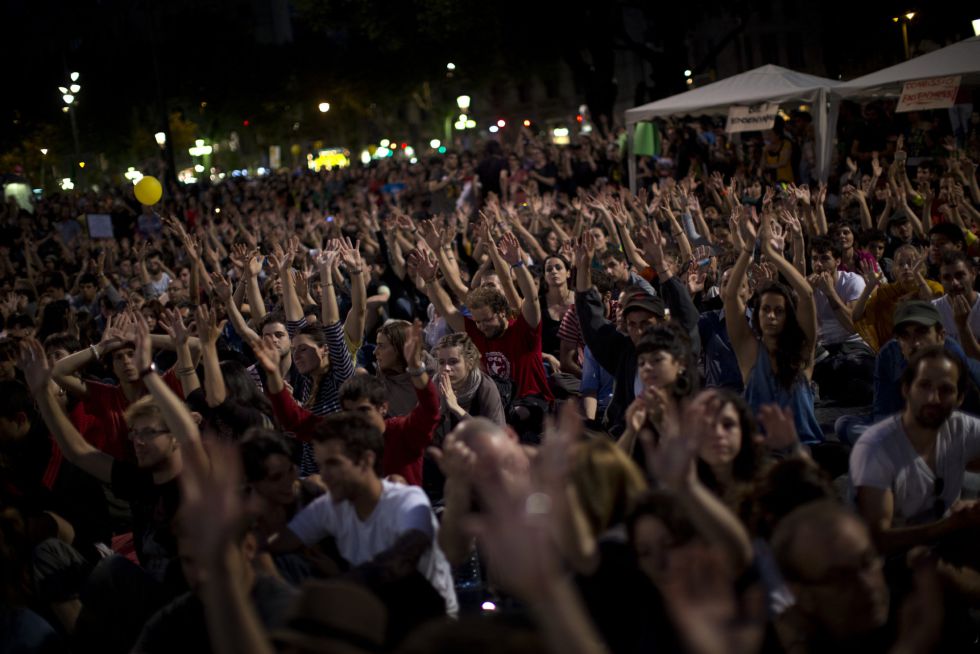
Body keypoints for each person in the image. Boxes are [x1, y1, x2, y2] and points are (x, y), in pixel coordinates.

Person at [266, 411, 458, 617]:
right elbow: (278, 543)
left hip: (428, 621)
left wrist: (335, 584)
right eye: (321, 465)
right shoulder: (331, 506)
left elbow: (403, 556)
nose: (324, 475)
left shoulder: (407, 501)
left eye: (333, 464)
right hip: (374, 616)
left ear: (366, 461)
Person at [252, 321, 440, 486]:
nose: (357, 419)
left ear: (383, 408)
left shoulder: (402, 432)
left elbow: (430, 409)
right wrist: (273, 375)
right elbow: (295, 420)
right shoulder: (343, 433)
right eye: (350, 412)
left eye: (363, 410)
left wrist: (415, 368)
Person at [415, 233, 552, 440]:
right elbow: (448, 309)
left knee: (513, 417)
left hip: (531, 403)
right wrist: (431, 280)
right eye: (477, 321)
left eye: (486, 320)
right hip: (495, 401)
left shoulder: (524, 330)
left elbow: (531, 299)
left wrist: (517, 264)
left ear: (502, 313)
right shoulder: (478, 331)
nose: (481, 326)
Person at [851, 345, 980, 554]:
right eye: (924, 386)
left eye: (945, 390)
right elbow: (878, 539)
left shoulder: (961, 427)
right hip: (895, 561)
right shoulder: (876, 448)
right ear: (906, 389)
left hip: (947, 543)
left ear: (960, 398)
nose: (933, 398)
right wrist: (950, 525)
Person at [724, 209, 822, 444]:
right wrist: (748, 249)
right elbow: (731, 297)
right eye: (765, 310)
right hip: (762, 454)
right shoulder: (749, 351)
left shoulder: (802, 352)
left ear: (788, 317)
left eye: (779, 311)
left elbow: (806, 295)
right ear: (756, 315)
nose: (771, 316)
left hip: (803, 449)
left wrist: (773, 254)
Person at [808, 236, 875, 405]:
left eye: (824, 258)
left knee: (855, 367)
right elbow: (810, 331)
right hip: (825, 350)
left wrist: (830, 293)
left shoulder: (853, 282)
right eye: (814, 258)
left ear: (837, 261)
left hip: (854, 345)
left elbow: (852, 326)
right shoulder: (808, 286)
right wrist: (807, 296)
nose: (818, 264)